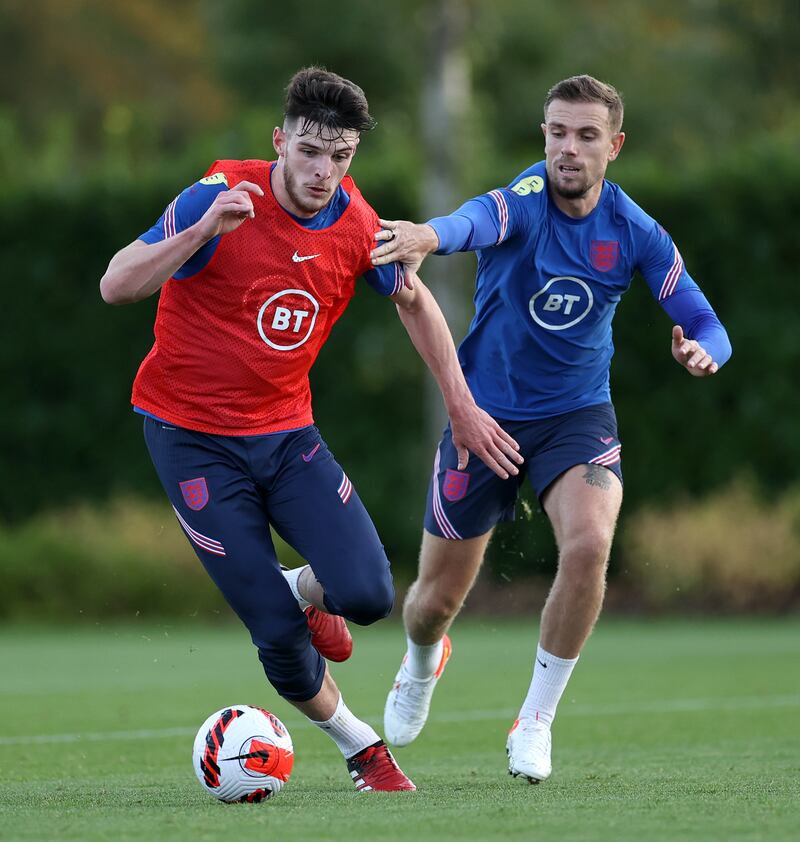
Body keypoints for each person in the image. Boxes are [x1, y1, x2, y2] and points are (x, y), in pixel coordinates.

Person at [99, 67, 522, 793]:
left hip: (288, 436)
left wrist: (460, 404)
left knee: (367, 594)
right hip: (190, 438)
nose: (324, 171)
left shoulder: (357, 223)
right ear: (279, 142)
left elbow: (414, 302)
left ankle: (295, 585)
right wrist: (202, 231)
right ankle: (363, 750)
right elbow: (117, 283)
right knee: (277, 632)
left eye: (341, 155)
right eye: (309, 152)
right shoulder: (220, 195)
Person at [372, 74, 732, 783]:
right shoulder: (525, 202)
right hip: (484, 418)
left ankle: (535, 717)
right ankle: (422, 662)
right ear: (544, 136)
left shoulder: (636, 232)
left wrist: (702, 351)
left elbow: (708, 322)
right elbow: (473, 223)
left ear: (615, 146)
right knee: (431, 603)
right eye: (558, 132)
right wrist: (425, 234)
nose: (569, 148)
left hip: (576, 416)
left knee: (592, 540)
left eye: (587, 135)